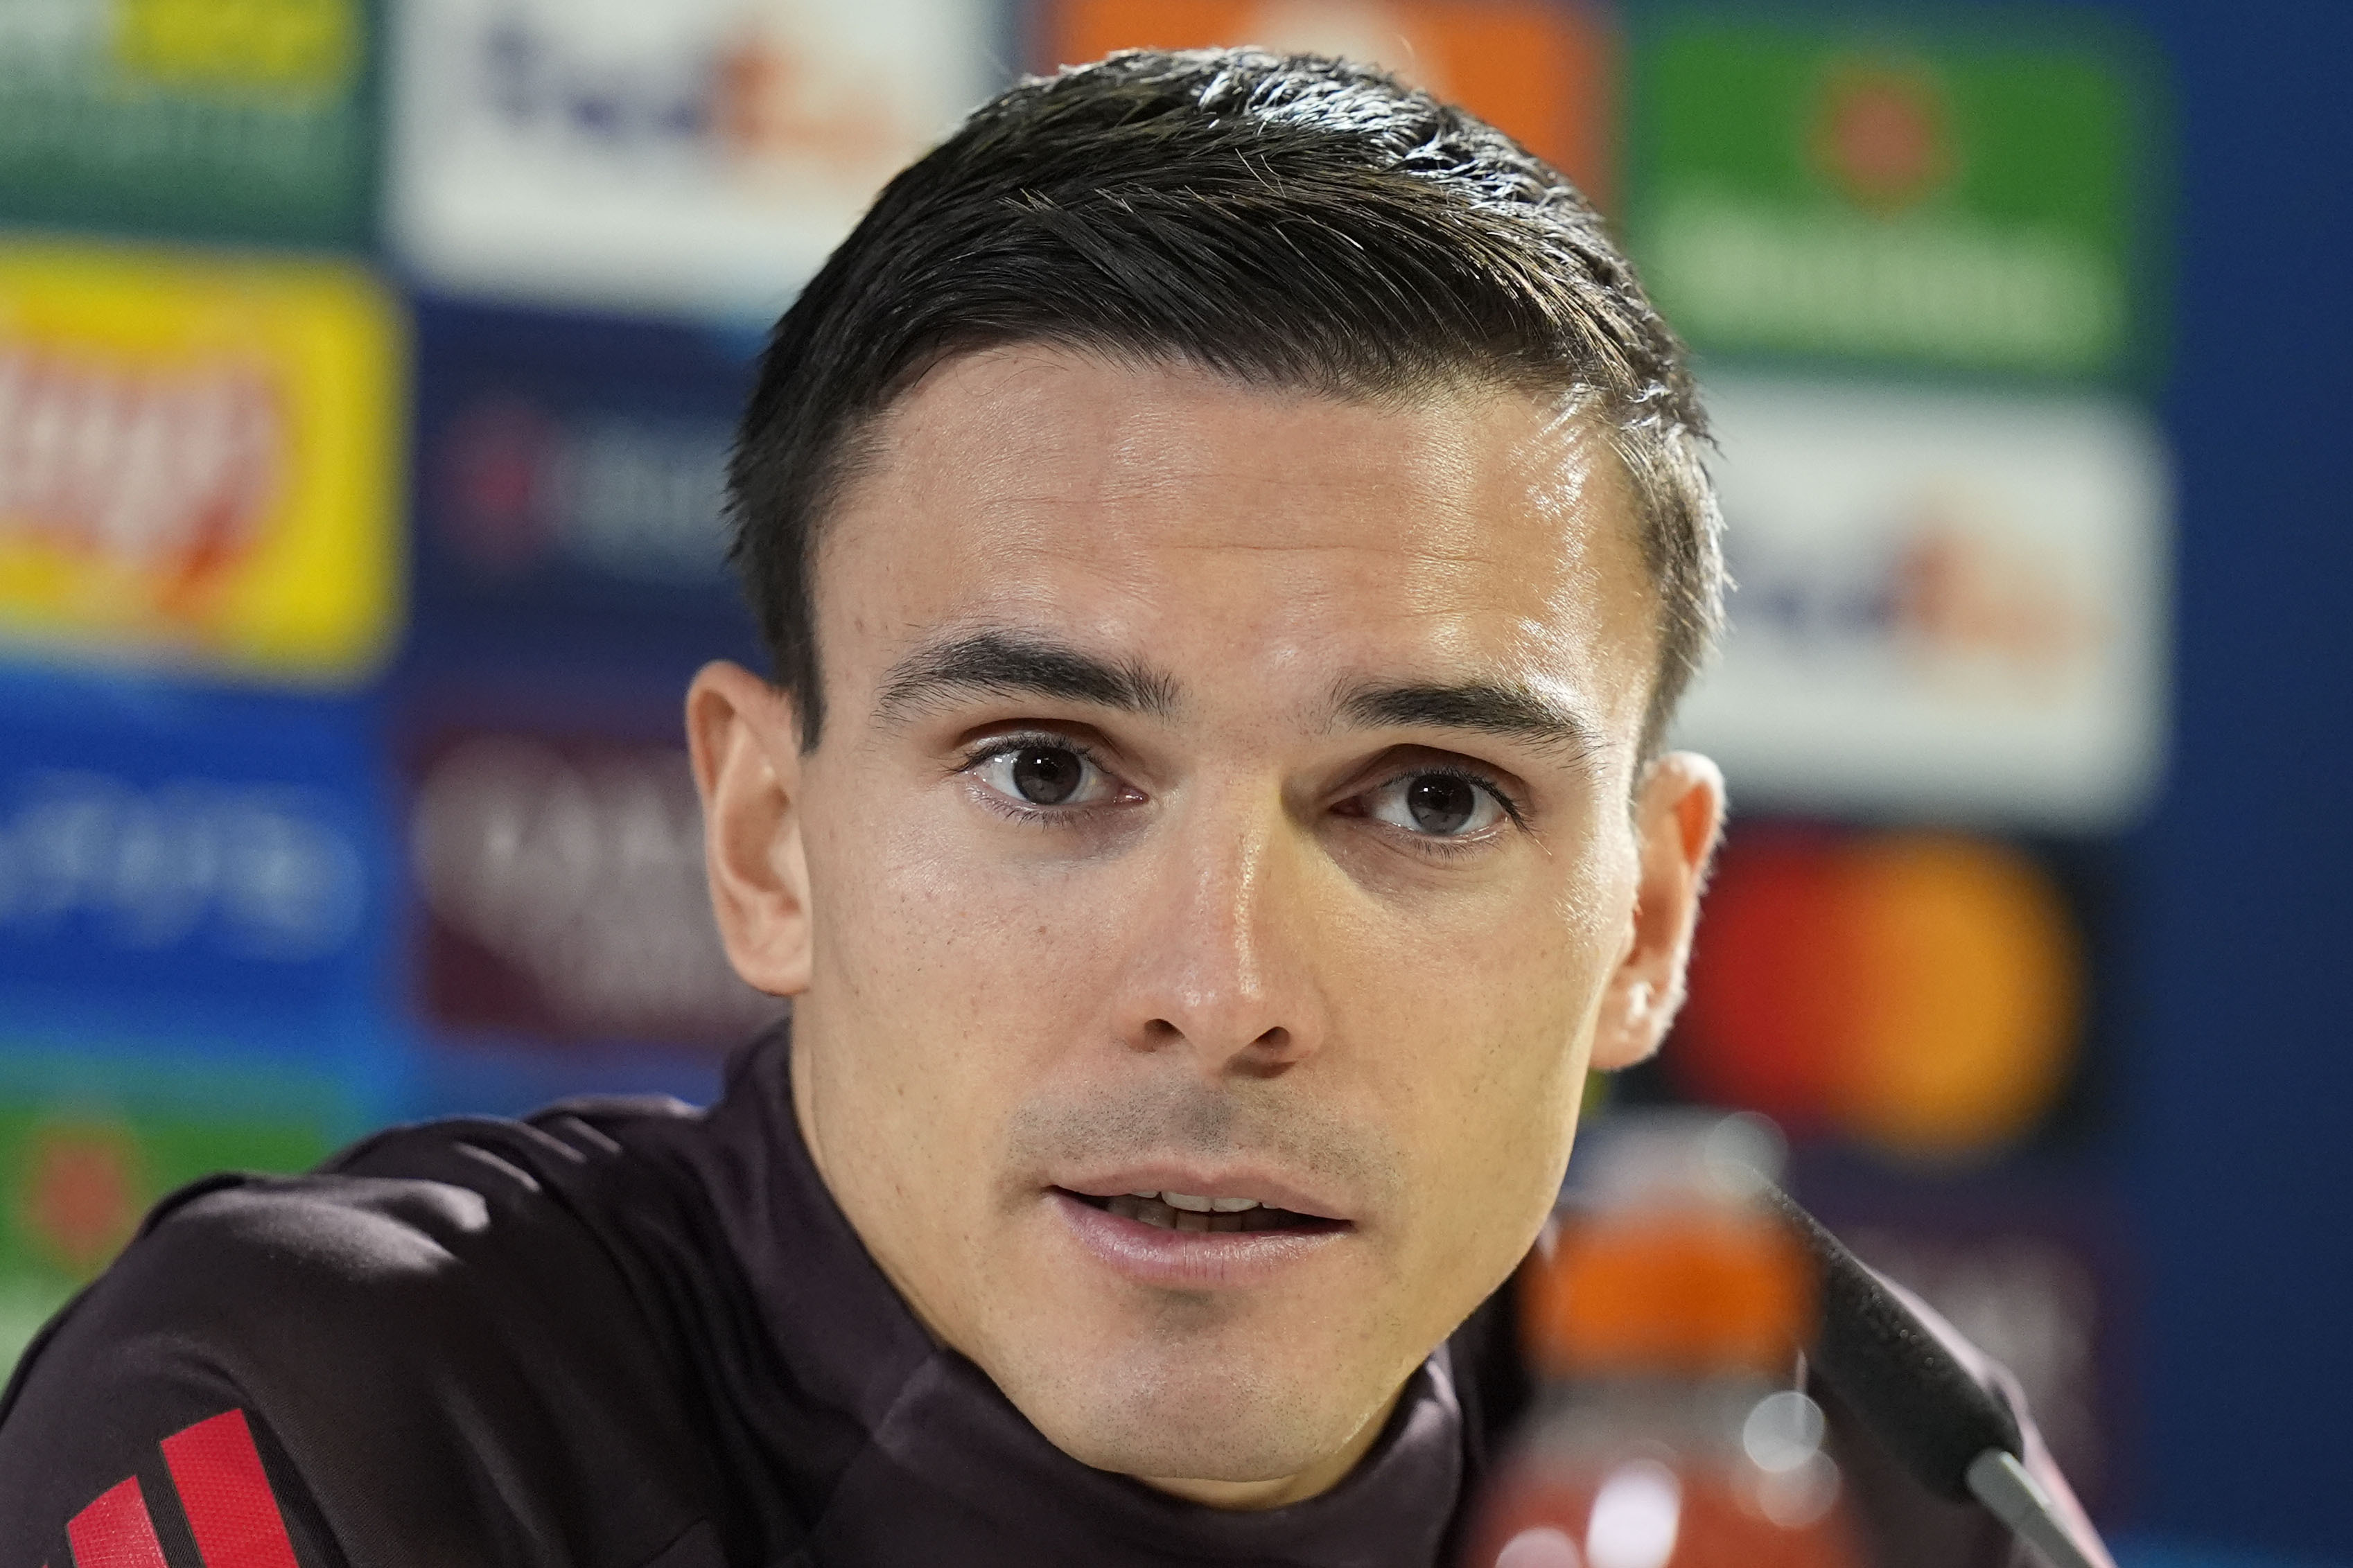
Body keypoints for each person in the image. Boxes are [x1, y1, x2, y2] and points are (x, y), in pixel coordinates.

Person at [0, 49, 2093, 1568]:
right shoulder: (339, 1429)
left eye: (1429, 799)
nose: (1222, 987)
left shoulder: (1849, 1485)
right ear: (763, 840)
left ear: (1643, 921)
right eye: (1046, 769)